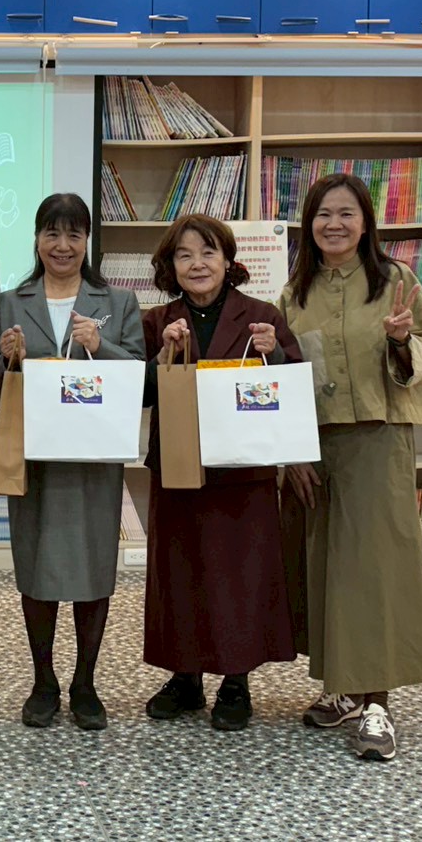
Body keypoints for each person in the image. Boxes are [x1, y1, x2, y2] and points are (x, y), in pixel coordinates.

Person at [277, 173, 422, 762]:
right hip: (316, 446)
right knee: (325, 564)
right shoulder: (294, 294)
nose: (334, 225)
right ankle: (344, 687)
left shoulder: (396, 282)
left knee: (375, 568)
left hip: (378, 439)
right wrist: (293, 452)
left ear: (366, 221)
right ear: (309, 225)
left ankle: (379, 702)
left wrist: (400, 341)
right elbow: (283, 379)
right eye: (323, 214)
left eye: (346, 213)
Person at [0, 193, 144, 731]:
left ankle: (86, 683)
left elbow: (139, 378)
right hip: (35, 457)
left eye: (74, 234)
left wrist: (103, 346)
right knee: (36, 568)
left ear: (87, 241)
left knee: (95, 567)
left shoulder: (117, 301)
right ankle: (44, 681)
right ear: (36, 239)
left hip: (93, 458)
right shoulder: (10, 302)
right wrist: (8, 359)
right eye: (52, 233)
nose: (63, 245)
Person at [139, 214, 301, 732]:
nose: (197, 264)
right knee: (179, 572)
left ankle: (236, 681)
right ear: (170, 266)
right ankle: (184, 677)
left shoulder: (262, 316)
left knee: (239, 576)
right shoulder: (157, 320)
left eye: (208, 252)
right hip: (178, 467)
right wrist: (162, 356)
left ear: (228, 260)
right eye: (184, 255)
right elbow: (138, 395)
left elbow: (291, 386)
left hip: (243, 472)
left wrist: (275, 353)